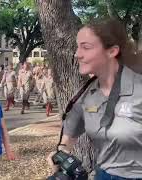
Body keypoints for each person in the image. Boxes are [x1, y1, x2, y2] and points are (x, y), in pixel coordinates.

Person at [47, 18, 142, 179]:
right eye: (78, 47)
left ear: (112, 51)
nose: (77, 54)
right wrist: (61, 152)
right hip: (102, 175)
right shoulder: (86, 96)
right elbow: (69, 134)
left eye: (86, 47)